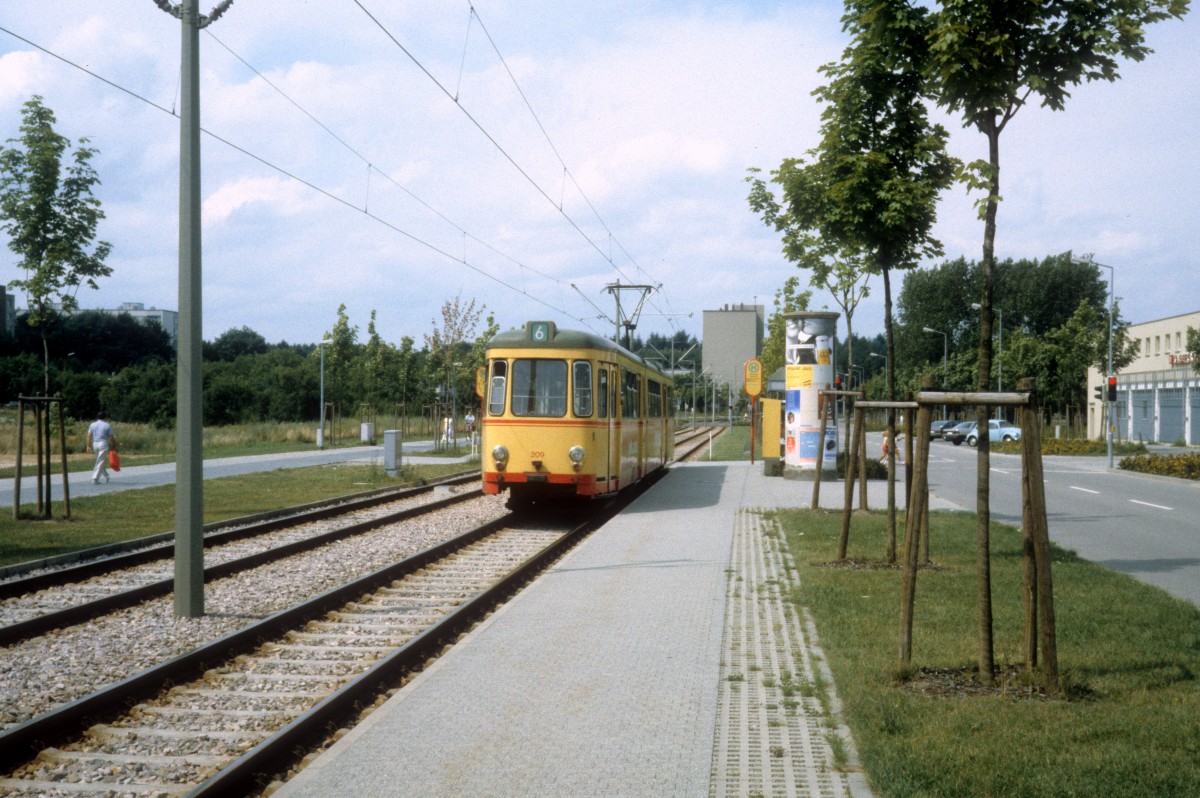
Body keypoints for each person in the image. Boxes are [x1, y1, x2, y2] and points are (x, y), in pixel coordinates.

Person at [86, 411, 117, 485]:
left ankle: (106, 476)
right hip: (103, 443)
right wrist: (115, 444)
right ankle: (95, 478)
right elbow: (110, 436)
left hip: (95, 444)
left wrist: (88, 445)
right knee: (100, 461)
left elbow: (89, 435)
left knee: (99, 460)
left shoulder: (92, 424)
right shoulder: (107, 425)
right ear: (105, 417)